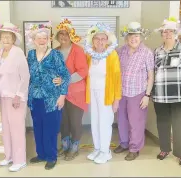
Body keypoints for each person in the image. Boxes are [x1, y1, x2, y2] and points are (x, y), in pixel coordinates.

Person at [25, 22, 70, 170]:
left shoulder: (55, 54)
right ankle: (41, 154)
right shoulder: (30, 55)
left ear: (48, 39)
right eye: (39, 38)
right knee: (38, 127)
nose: (42, 40)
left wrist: (62, 94)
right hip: (35, 98)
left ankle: (51, 156)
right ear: (34, 40)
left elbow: (65, 74)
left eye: (45, 37)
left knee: (51, 128)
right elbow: (26, 75)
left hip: (52, 98)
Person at [152, 17, 181, 166]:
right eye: (165, 31)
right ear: (162, 34)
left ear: (176, 34)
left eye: (171, 31)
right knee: (162, 123)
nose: (167, 34)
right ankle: (164, 149)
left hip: (180, 95)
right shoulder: (156, 51)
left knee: (180, 125)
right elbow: (153, 73)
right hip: (160, 96)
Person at [0, 22, 30, 172]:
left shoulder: (17, 52)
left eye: (8, 37)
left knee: (17, 128)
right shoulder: (1, 52)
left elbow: (25, 76)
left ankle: (20, 160)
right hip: (3, 96)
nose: (5, 40)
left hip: (15, 98)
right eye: (3, 37)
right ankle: (9, 156)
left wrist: (18, 95)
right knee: (6, 128)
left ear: (13, 39)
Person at [114, 22, 154, 161]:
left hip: (138, 93)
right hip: (122, 92)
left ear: (141, 37)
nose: (133, 38)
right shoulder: (121, 51)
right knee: (122, 120)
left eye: (136, 36)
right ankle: (124, 143)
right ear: (126, 38)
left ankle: (134, 148)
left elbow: (151, 75)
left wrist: (147, 95)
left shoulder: (147, 52)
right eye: (131, 35)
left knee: (135, 122)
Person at [85, 23, 122, 164]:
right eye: (97, 39)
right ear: (92, 40)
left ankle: (106, 151)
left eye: (103, 39)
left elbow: (117, 78)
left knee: (105, 122)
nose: (100, 41)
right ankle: (97, 148)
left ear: (107, 40)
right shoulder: (89, 54)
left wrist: (117, 99)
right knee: (94, 120)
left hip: (107, 94)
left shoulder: (112, 55)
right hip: (93, 92)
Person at [54, 19, 88, 161]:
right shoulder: (55, 52)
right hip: (59, 94)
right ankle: (65, 145)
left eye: (66, 34)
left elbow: (83, 71)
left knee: (74, 121)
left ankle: (74, 147)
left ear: (71, 35)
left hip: (76, 93)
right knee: (63, 121)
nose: (63, 37)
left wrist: (65, 80)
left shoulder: (78, 50)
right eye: (61, 34)